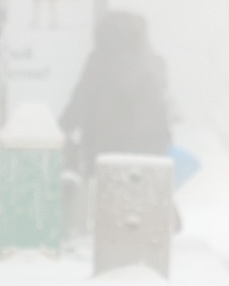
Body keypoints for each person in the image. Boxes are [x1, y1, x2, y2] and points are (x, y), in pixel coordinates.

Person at [59, 10, 172, 174]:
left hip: (104, 153)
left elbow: (80, 103)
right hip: (149, 154)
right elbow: (163, 110)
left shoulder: (98, 64)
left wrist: (59, 130)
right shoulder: (154, 64)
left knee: (106, 197)